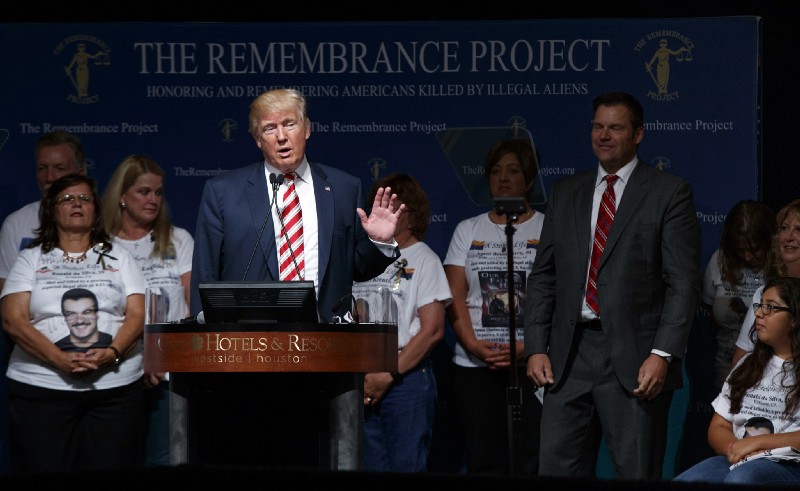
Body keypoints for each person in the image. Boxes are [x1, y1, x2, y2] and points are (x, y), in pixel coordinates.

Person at [525, 91, 701, 479]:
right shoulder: (566, 191)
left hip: (636, 358)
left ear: (638, 134)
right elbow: (544, 276)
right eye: (598, 126)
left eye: (616, 128)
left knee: (636, 471)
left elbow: (683, 283)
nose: (604, 135)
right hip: (568, 357)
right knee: (555, 470)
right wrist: (536, 347)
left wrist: (663, 354)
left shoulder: (668, 192)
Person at [190, 87, 403, 321]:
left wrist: (379, 242)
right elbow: (205, 274)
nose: (281, 136)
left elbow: (360, 267)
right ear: (257, 140)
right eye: (269, 129)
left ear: (307, 129)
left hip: (325, 338)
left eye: (290, 124)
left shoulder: (344, 189)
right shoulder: (223, 192)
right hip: (248, 340)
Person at [1, 173, 146, 473]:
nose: (76, 204)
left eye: (84, 198)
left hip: (114, 390)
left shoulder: (118, 256)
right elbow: (12, 319)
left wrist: (113, 352)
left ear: (95, 210)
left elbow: (138, 313)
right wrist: (59, 359)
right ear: (52, 210)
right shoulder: (31, 258)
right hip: (41, 391)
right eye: (66, 199)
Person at [443, 138, 544, 475]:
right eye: (496, 171)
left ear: (529, 180)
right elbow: (454, 295)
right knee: (484, 460)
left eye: (513, 171)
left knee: (532, 457)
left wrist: (529, 347)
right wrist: (472, 344)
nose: (503, 178)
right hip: (475, 365)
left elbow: (561, 298)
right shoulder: (467, 230)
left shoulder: (547, 228)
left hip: (533, 363)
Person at [352, 173, 452, 472]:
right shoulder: (362, 259)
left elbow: (433, 329)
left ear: (412, 214)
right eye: (380, 206)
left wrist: (387, 374)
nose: (387, 214)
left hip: (405, 380)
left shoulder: (423, 258)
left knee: (406, 469)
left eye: (396, 207)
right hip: (361, 379)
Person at [0, 130, 86, 471]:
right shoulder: (16, 224)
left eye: (59, 168)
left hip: (101, 368)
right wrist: (54, 356)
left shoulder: (104, 219)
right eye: (42, 168)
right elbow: (8, 305)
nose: (50, 177)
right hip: (36, 370)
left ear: (80, 168)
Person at [102, 154, 193, 466]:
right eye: (144, 192)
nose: (153, 200)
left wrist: (160, 358)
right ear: (122, 196)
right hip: (117, 369)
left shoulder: (179, 240)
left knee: (165, 458)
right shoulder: (102, 246)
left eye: (158, 192)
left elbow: (191, 306)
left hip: (169, 374)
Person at [674, 276, 800, 485]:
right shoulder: (747, 365)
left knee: (743, 478)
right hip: (738, 458)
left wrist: (757, 444)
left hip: (788, 465)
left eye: (771, 308)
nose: (758, 313)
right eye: (760, 306)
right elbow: (718, 426)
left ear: (794, 318)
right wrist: (735, 449)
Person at [702, 200, 775, 388]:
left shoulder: (781, 265)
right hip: (727, 363)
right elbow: (709, 306)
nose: (747, 257)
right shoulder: (719, 261)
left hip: (773, 366)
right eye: (740, 250)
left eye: (753, 249)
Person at [732, 199, 800, 367]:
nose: (789, 236)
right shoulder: (765, 293)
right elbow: (740, 360)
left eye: (799, 230)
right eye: (784, 228)